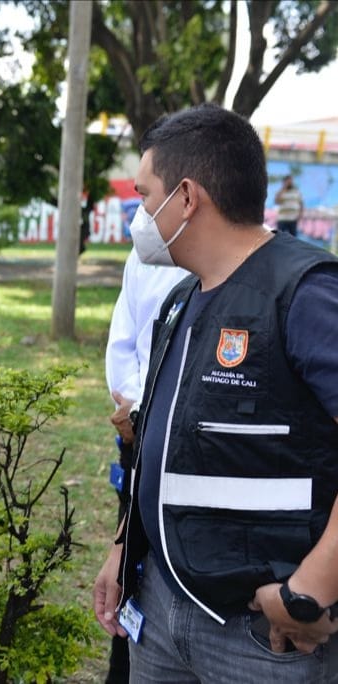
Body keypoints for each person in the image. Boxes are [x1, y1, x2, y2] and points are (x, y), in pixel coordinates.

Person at [92, 103, 338, 682]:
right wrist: (125, 550)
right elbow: (160, 444)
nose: (139, 211)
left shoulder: (305, 294)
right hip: (160, 613)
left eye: (145, 193)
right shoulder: (181, 301)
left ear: (186, 196)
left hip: (264, 635)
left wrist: (309, 591)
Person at [101, 247, 187, 682]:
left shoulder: (275, 275)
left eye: (149, 195)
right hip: (139, 442)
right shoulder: (145, 258)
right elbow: (124, 345)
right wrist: (136, 412)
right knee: (132, 583)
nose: (144, 213)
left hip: (198, 459)